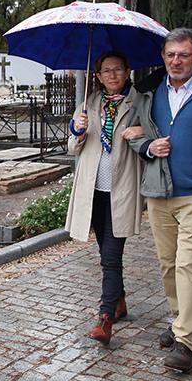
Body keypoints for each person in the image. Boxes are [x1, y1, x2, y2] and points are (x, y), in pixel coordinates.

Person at [128, 28, 192, 374]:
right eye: (170, 55)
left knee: (189, 264)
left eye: (183, 55)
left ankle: (186, 343)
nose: (175, 61)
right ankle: (179, 318)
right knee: (168, 264)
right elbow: (131, 133)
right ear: (163, 57)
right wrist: (148, 146)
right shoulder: (148, 91)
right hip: (159, 191)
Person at [67, 51, 145, 345]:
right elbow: (72, 147)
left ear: (127, 72)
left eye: (118, 70)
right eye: (106, 71)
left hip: (121, 190)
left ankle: (105, 317)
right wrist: (78, 130)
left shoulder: (138, 103)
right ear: (97, 76)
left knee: (111, 257)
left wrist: (140, 133)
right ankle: (120, 300)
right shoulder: (88, 104)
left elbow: (150, 137)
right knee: (106, 254)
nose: (112, 75)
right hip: (94, 191)